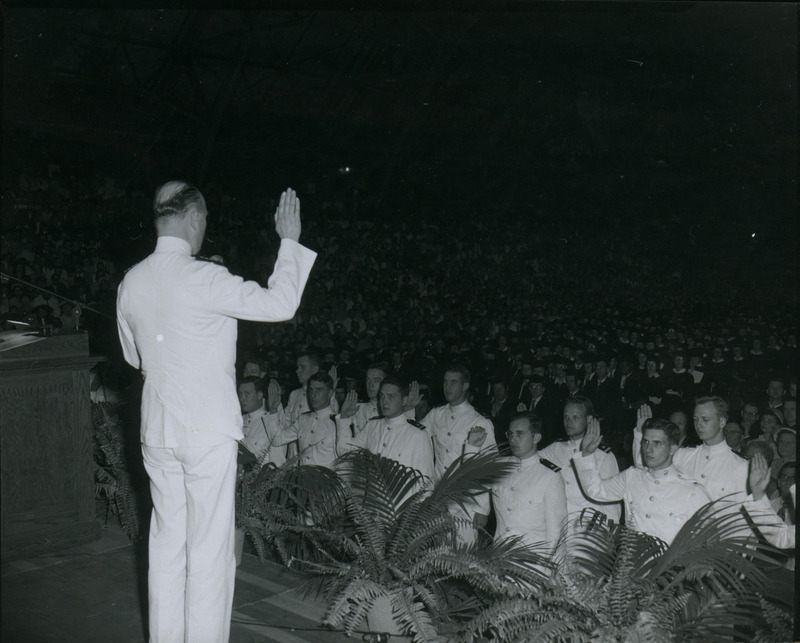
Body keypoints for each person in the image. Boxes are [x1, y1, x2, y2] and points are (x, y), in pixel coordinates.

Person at [116, 183, 316, 643]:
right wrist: (289, 240)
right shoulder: (205, 278)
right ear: (191, 218)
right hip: (205, 432)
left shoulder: (132, 280)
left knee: (167, 548)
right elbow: (280, 303)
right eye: (203, 220)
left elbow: (135, 357)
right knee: (209, 553)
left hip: (158, 432)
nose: (204, 229)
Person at [573, 418, 711, 545]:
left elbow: (708, 538)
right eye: (646, 442)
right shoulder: (632, 477)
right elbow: (595, 490)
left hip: (668, 569)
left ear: (673, 449)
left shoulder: (692, 491)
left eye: (657, 443)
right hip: (632, 567)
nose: (648, 449)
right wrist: (586, 454)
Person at [420, 363, 496, 543]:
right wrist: (408, 407)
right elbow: (414, 434)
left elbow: (488, 467)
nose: (447, 387)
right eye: (445, 382)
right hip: (437, 498)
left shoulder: (480, 421)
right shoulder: (436, 414)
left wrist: (482, 508)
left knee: (462, 556)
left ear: (465, 386)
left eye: (453, 382)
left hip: (465, 502)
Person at [632, 397, 748, 502]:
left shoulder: (739, 466)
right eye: (695, 419)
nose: (698, 425)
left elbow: (746, 512)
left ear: (722, 422)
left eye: (705, 420)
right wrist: (640, 432)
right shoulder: (684, 455)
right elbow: (645, 467)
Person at [487, 412, 567, 552]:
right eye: (510, 434)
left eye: (520, 434)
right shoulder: (499, 467)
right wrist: (472, 446)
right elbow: (469, 485)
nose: (513, 440)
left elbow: (556, 533)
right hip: (500, 556)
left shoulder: (549, 476)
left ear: (536, 437)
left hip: (532, 561)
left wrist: (548, 569)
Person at [538, 395, 621, 525]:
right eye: (566, 417)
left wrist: (608, 535)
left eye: (575, 417)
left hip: (588, 529)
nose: (568, 422)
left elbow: (612, 504)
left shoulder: (603, 455)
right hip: (559, 525)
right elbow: (529, 462)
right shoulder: (556, 448)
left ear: (588, 420)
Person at [335, 376, 434, 480]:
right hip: (371, 494)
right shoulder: (372, 426)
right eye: (382, 396)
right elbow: (346, 453)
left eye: (391, 396)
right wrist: (344, 418)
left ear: (404, 400)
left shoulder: (418, 435)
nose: (384, 401)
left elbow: (425, 481)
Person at [275, 371, 338, 468]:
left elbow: (344, 464)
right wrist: (273, 409)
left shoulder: (337, 423)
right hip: (302, 479)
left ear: (330, 393)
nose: (313, 395)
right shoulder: (303, 419)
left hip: (326, 481)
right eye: (311, 390)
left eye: (318, 390)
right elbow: (277, 440)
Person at [238, 376, 286, 468]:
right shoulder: (237, 421)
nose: (242, 398)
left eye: (247, 393)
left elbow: (278, 463)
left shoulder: (271, 422)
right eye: (240, 394)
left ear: (259, 395)